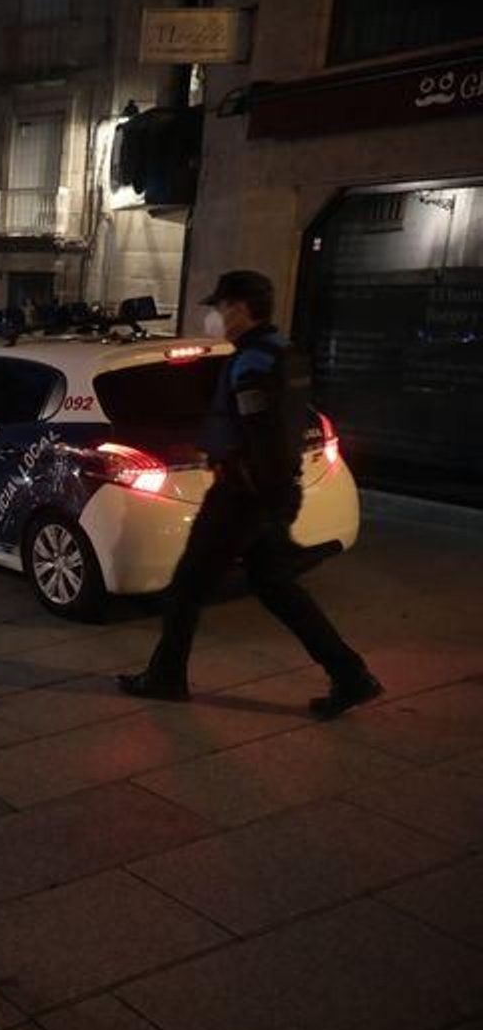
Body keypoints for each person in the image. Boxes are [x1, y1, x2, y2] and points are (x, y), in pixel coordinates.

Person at [118, 270, 382, 718]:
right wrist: (281, 500)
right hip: (263, 495)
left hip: (241, 496)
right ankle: (350, 675)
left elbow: (262, 438)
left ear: (240, 308)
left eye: (221, 307)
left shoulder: (252, 366)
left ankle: (166, 677)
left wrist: (265, 499)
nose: (217, 316)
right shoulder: (283, 353)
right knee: (276, 588)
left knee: (186, 588)